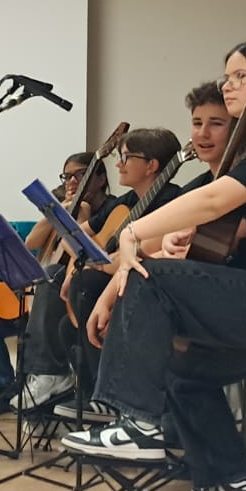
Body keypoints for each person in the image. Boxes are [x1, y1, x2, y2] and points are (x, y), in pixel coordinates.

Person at [63, 38, 246, 491]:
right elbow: (228, 228)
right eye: (226, 76)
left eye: (240, 76)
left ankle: (137, 424)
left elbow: (213, 200)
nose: (227, 85)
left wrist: (133, 232)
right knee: (183, 370)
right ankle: (229, 477)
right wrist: (182, 241)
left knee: (155, 279)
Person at [20, 127, 185, 412]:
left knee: (85, 285)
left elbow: (145, 253)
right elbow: (75, 238)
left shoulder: (170, 199)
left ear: (151, 166)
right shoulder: (126, 202)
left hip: (147, 289)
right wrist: (78, 251)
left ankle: (110, 397)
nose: (118, 164)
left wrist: (99, 263)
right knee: (66, 328)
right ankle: (92, 397)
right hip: (112, 285)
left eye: (126, 157)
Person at [0, 151, 94, 419]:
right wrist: (55, 213)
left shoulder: (90, 211)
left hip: (60, 304)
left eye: (79, 175)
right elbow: (30, 243)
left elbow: (80, 243)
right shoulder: (58, 216)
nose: (72, 181)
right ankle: (9, 392)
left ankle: (43, 383)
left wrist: (77, 210)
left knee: (33, 327)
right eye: (67, 176)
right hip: (35, 302)